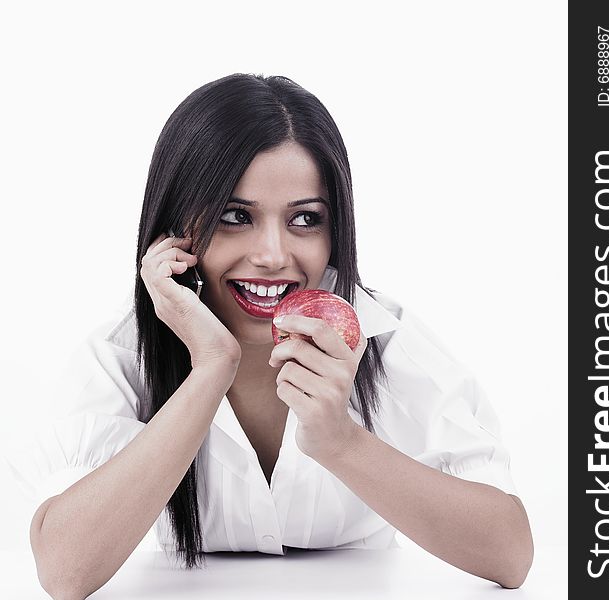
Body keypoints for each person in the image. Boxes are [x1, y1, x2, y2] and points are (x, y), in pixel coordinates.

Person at [9, 73, 533, 598]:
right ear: (175, 226)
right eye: (236, 216)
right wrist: (212, 365)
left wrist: (341, 442)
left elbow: (510, 556)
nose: (274, 255)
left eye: (305, 218)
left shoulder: (382, 338)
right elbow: (64, 571)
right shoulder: (122, 355)